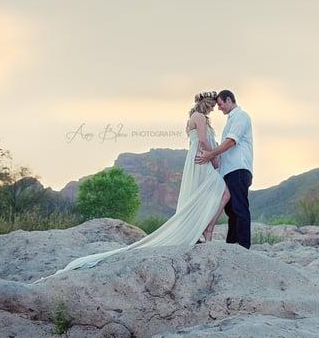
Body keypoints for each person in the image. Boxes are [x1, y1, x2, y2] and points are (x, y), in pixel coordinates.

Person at [29, 91, 231, 285]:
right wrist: (212, 159)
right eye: (213, 106)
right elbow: (203, 141)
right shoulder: (201, 118)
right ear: (207, 104)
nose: (214, 109)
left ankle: (203, 229)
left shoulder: (191, 119)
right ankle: (207, 229)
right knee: (222, 190)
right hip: (202, 160)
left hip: (194, 161)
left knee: (202, 194)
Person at [195, 90, 253, 249]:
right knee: (231, 210)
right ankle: (232, 245)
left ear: (229, 100)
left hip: (238, 169)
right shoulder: (231, 120)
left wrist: (210, 155)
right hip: (228, 171)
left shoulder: (241, 116)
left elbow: (231, 142)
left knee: (240, 208)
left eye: (220, 104)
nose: (219, 108)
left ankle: (242, 247)